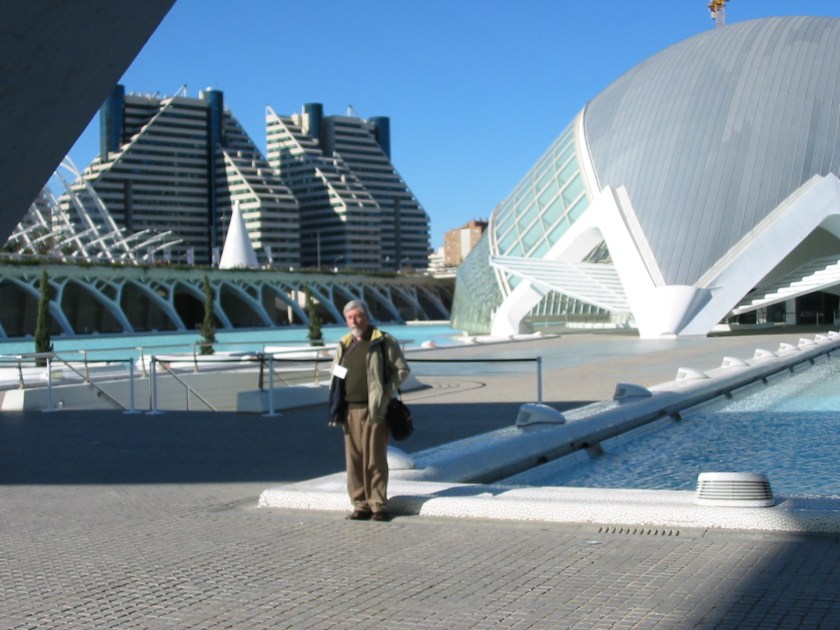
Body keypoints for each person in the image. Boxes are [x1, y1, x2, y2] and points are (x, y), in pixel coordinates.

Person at [328, 300, 410, 522]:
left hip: (375, 410)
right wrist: (336, 398)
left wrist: (385, 393)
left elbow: (401, 369)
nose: (354, 321)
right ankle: (360, 504)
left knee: (374, 459)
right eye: (349, 318)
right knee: (354, 460)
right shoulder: (345, 344)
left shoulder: (383, 341)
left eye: (357, 316)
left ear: (366, 317)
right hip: (349, 411)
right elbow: (337, 374)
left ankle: (378, 505)